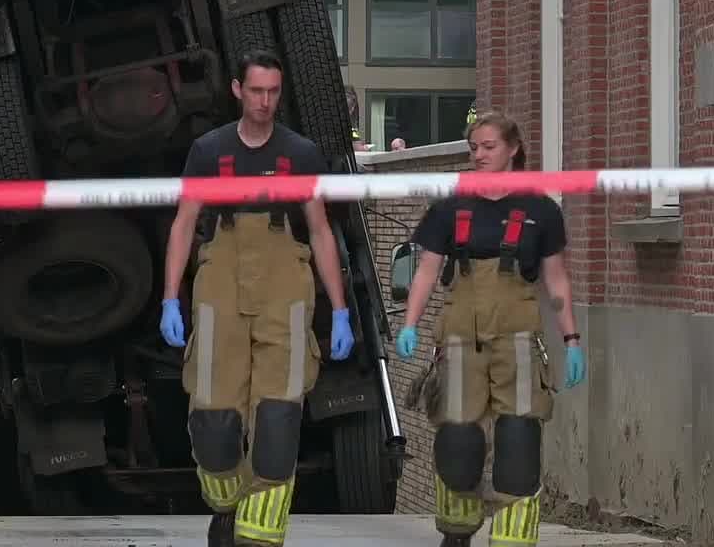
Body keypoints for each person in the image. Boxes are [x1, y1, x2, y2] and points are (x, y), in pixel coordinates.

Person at [159, 50, 356, 546]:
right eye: (256, 91)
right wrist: (169, 298)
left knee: (278, 421)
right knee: (213, 423)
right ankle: (226, 503)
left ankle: (258, 537)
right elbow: (184, 226)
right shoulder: (208, 151)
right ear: (237, 90)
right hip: (219, 279)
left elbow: (319, 232)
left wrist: (340, 311)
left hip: (285, 285)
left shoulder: (301, 154)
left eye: (273, 92)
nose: (266, 101)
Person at [393, 112, 586, 547]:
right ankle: (457, 533)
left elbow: (556, 280)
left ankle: (512, 540)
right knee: (458, 447)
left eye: (488, 147)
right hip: (459, 337)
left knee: (518, 448)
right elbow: (427, 270)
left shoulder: (540, 210)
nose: (478, 155)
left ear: (513, 149)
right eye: (473, 148)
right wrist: (410, 323)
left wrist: (571, 339)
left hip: (517, 339)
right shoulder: (450, 206)